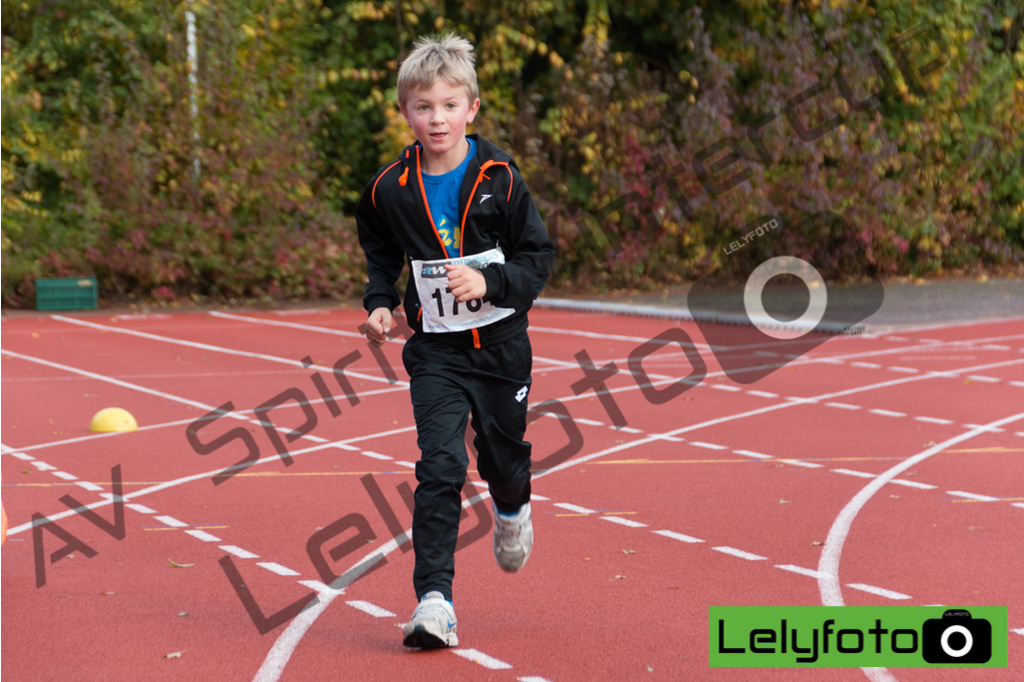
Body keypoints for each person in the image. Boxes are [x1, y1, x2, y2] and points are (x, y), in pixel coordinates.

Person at [354, 33, 555, 649]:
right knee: (439, 465)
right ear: (405, 111)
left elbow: (536, 256)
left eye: (448, 105)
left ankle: (513, 509)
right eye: (422, 106)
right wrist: (382, 303)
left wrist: (490, 281)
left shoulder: (500, 176)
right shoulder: (389, 187)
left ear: (471, 108)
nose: (435, 118)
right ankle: (434, 601)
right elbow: (381, 253)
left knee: (500, 457)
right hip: (436, 352)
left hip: (499, 347)